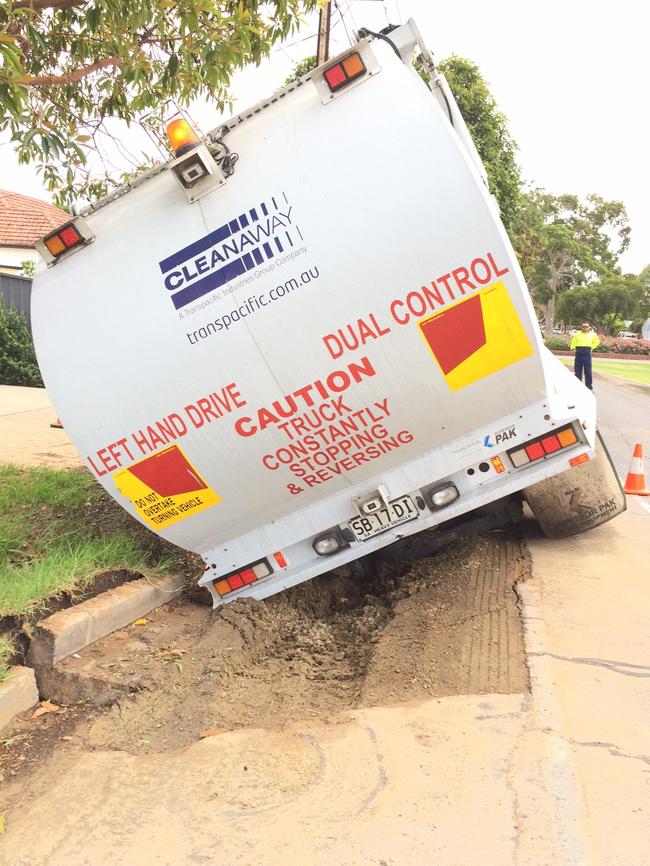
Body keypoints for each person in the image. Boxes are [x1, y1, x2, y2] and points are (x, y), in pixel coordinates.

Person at [570, 322, 600, 390]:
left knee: (588, 371)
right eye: (583, 326)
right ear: (581, 327)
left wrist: (592, 347)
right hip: (579, 353)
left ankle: (589, 387)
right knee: (577, 370)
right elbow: (573, 342)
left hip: (587, 353)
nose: (585, 328)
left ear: (589, 327)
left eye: (586, 326)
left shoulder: (592, 335)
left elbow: (597, 342)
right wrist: (573, 348)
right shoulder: (577, 334)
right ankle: (578, 386)